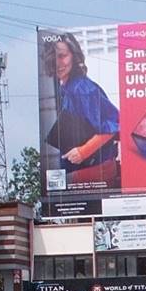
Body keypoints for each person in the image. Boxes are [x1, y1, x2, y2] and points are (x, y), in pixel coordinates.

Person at [43, 31, 120, 182]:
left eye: (62, 56)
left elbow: (113, 124)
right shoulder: (65, 88)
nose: (58, 63)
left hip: (94, 172)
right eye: (53, 57)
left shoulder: (83, 89)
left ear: (74, 55)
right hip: (80, 170)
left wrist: (83, 151)